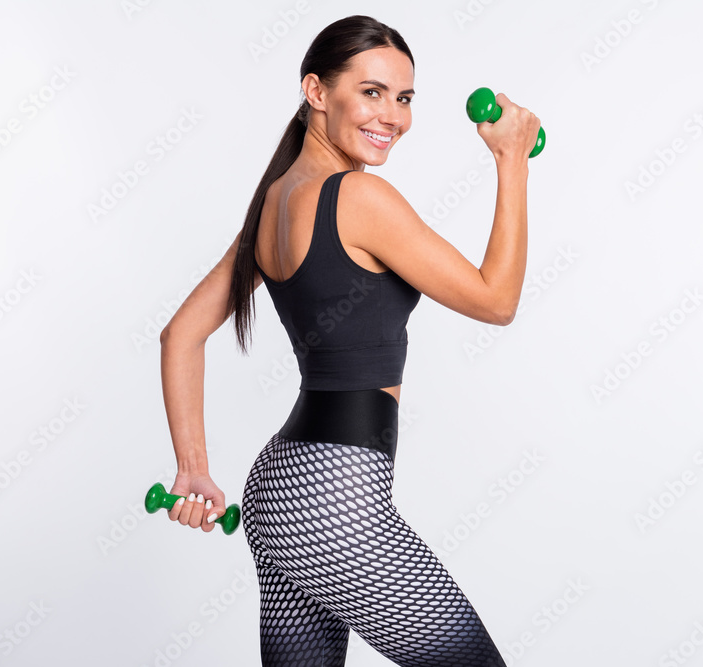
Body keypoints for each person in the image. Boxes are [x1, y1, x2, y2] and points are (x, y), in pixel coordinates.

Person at [158, 13, 539, 667]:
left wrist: (194, 467)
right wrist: (510, 162)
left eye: (405, 97)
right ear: (316, 92)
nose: (392, 115)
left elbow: (179, 334)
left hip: (279, 496)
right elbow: (496, 300)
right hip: (337, 502)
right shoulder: (357, 197)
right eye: (371, 91)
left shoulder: (274, 201)